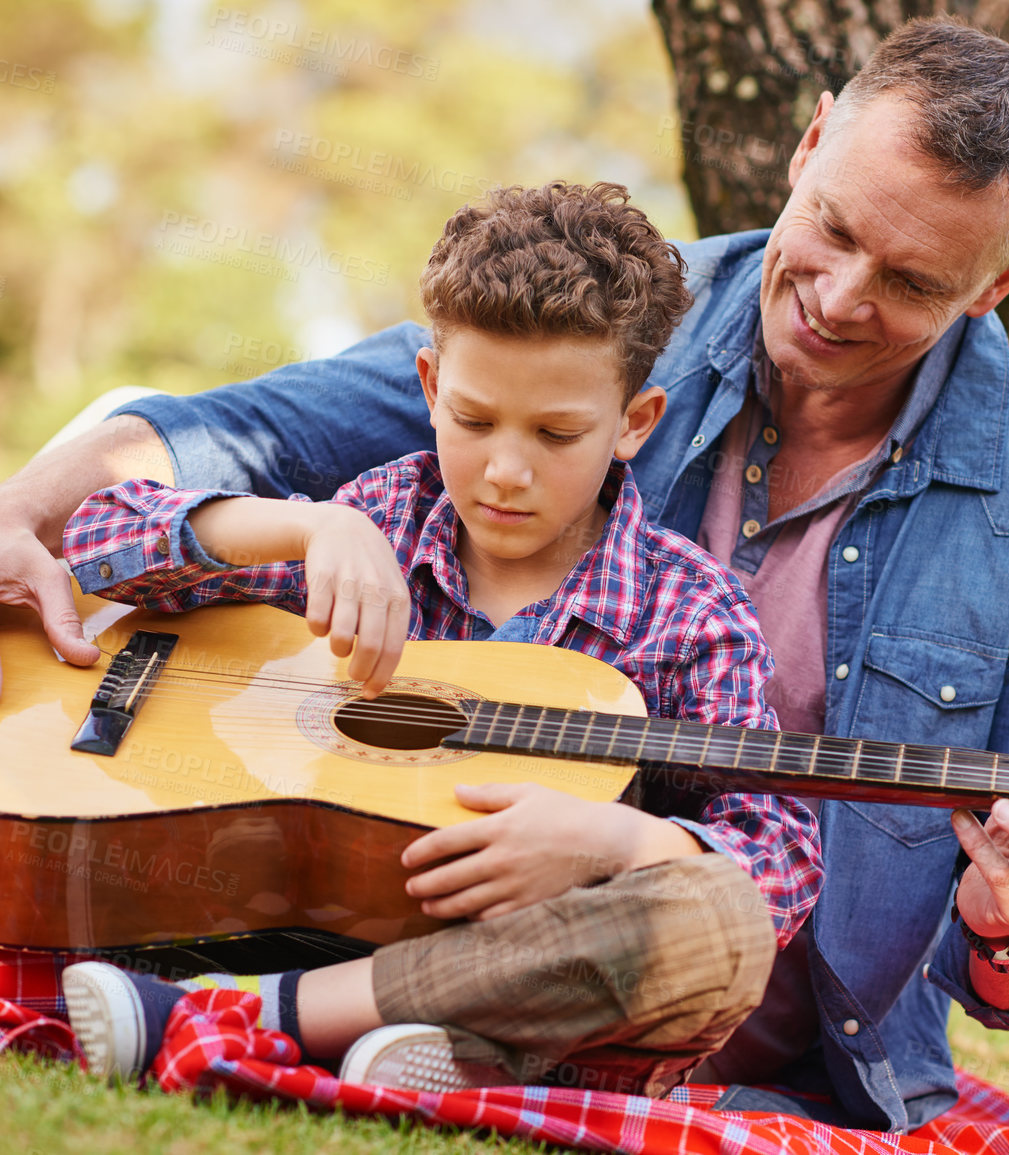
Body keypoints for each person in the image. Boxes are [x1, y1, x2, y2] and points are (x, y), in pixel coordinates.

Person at [0, 18, 1009, 1132]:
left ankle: (287, 1018)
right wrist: (15, 515)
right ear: (805, 147)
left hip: (674, 971)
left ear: (999, 283)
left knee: (706, 907)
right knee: (73, 489)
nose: (839, 296)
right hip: (336, 854)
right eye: (832, 227)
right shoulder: (594, 324)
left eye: (907, 280)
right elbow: (232, 432)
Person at [61, 180, 823, 1092]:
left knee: (720, 925)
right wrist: (301, 529)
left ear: (633, 424)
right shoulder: (374, 520)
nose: (505, 470)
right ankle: (423, 1058)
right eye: (472, 420)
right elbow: (99, 539)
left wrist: (615, 843)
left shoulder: (690, 610)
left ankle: (251, 1017)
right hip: (295, 914)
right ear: (429, 386)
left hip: (526, 970)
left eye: (555, 433)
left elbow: (778, 857)